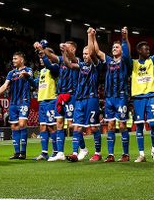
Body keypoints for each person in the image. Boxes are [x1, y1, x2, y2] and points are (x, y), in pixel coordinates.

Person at [65, 29, 106, 162]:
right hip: (80, 99)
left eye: (86, 54)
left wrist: (90, 36)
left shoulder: (96, 65)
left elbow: (94, 54)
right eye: (83, 54)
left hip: (92, 99)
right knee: (76, 127)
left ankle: (98, 153)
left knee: (93, 127)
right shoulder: (81, 65)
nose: (85, 56)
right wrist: (66, 51)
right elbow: (70, 62)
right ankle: (75, 153)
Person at [130, 23, 154, 162]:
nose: (148, 51)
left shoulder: (152, 61)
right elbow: (126, 53)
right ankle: (141, 154)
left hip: (151, 95)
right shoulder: (133, 63)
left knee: (152, 124)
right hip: (138, 97)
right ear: (139, 51)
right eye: (146, 49)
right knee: (139, 125)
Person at [96, 27, 132, 162]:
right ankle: (110, 154)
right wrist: (92, 37)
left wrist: (124, 38)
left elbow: (127, 51)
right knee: (110, 125)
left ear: (122, 49)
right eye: (113, 47)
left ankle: (125, 154)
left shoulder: (125, 61)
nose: (114, 48)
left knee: (122, 125)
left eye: (117, 47)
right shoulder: (109, 60)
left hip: (121, 97)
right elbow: (98, 51)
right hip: (109, 98)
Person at [0, 51, 33, 159]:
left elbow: (30, 76)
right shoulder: (11, 73)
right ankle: (17, 152)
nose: (13, 61)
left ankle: (23, 152)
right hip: (13, 102)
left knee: (22, 124)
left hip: (24, 101)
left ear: (21, 60)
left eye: (15, 59)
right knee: (14, 126)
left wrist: (25, 75)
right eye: (13, 59)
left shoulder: (28, 70)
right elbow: (5, 85)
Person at [33, 40, 60, 161]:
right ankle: (44, 152)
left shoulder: (54, 67)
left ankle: (55, 151)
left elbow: (48, 64)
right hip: (42, 101)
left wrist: (41, 51)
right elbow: (35, 83)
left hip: (51, 100)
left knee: (51, 127)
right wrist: (28, 78)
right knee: (43, 127)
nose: (40, 57)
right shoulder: (42, 71)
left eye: (43, 55)